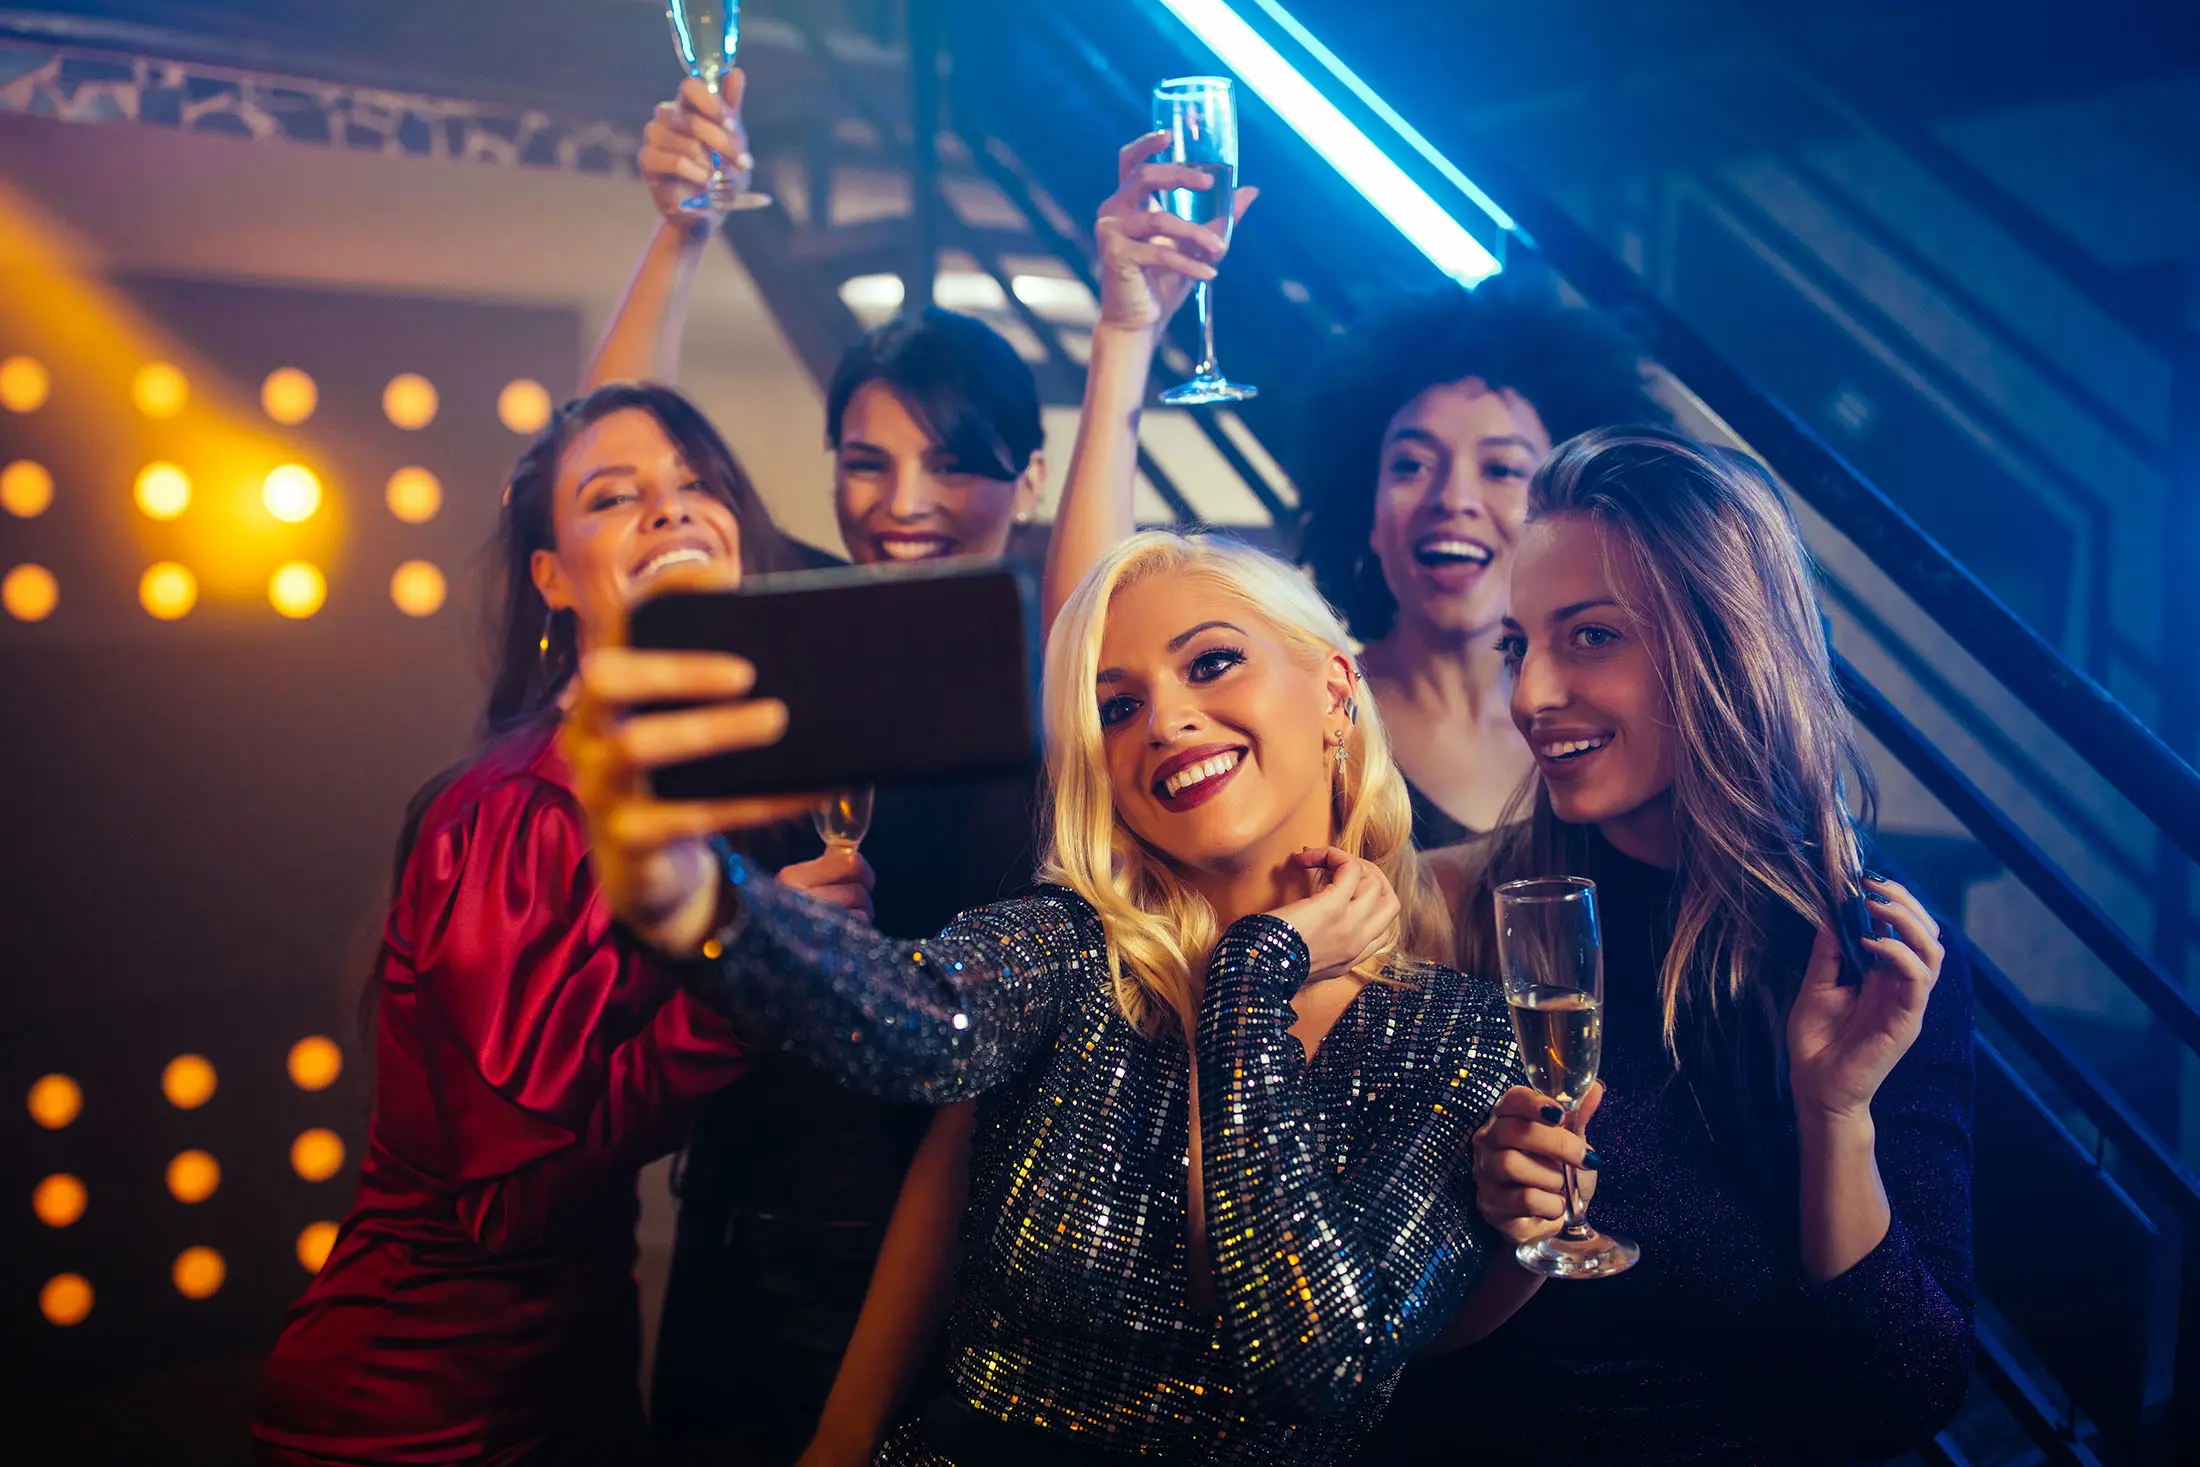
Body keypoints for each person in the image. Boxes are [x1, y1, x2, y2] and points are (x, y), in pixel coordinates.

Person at [564, 529, 1540, 1463]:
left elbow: (1318, 1364)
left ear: (1333, 687)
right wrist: (702, 900)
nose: (1165, 721)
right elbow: (915, 1021)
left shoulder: (1454, 1035)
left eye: (1208, 664)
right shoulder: (1072, 949)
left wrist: (1253, 974)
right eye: (1116, 707)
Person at [251, 384, 867, 1466]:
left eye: (693, 483)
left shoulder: (692, 781)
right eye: (614, 497)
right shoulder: (519, 807)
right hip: (422, 1407)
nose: (670, 511)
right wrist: (748, 983)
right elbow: (508, 1201)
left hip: (570, 1382)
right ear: (551, 578)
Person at [596, 76, 1055, 1465]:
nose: (901, 501)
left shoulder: (1058, 655)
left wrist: (1138, 316)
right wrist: (679, 234)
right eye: (865, 461)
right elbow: (621, 446)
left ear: (1025, 479)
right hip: (752, 1186)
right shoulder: (795, 621)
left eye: (951, 463)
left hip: (948, 1216)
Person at [1390, 428, 1974, 1464]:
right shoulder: (1472, 912)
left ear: (1724, 644)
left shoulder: (1866, 953)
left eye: (1591, 638)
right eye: (1519, 644)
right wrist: (1489, 1232)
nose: (1527, 698)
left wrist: (1833, 1117)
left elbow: (1907, 1397)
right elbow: (1370, 1344)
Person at [1290, 280, 1671, 846]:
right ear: (1363, 511)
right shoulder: (1313, 721)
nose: (1452, 497)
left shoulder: (1626, 715)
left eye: (1501, 470)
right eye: (1412, 465)